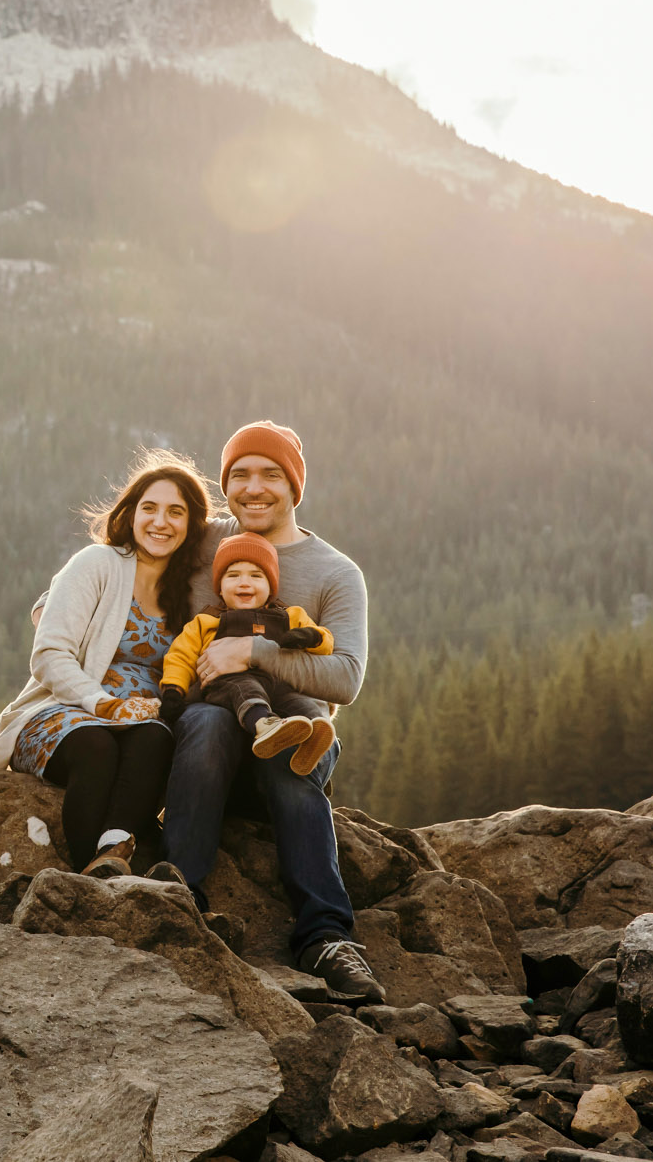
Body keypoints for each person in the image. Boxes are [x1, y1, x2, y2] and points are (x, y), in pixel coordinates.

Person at [161, 421, 386, 1002]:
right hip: (205, 744)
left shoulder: (336, 573)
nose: (253, 488)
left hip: (292, 737)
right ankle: (179, 900)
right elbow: (124, 564)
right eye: (239, 475)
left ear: (294, 486)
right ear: (224, 483)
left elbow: (347, 678)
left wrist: (254, 650)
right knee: (208, 722)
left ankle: (326, 936)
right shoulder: (201, 546)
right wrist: (59, 602)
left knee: (288, 753)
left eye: (270, 475)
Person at [0, 451, 213, 877]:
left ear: (192, 525)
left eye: (176, 512)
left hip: (143, 724)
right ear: (131, 513)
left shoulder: (191, 593)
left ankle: (112, 852)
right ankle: (91, 871)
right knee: (96, 746)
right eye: (150, 508)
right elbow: (49, 654)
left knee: (156, 742)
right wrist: (99, 703)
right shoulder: (97, 564)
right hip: (64, 713)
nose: (161, 522)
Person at [160, 531, 336, 775]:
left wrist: (311, 637)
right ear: (219, 588)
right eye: (233, 575)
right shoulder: (207, 621)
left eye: (256, 576)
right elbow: (180, 657)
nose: (244, 582)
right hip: (227, 685)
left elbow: (326, 640)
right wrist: (173, 690)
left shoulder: (291, 615)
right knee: (244, 687)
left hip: (279, 687)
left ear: (270, 586)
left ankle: (312, 744)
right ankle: (264, 725)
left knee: (303, 704)